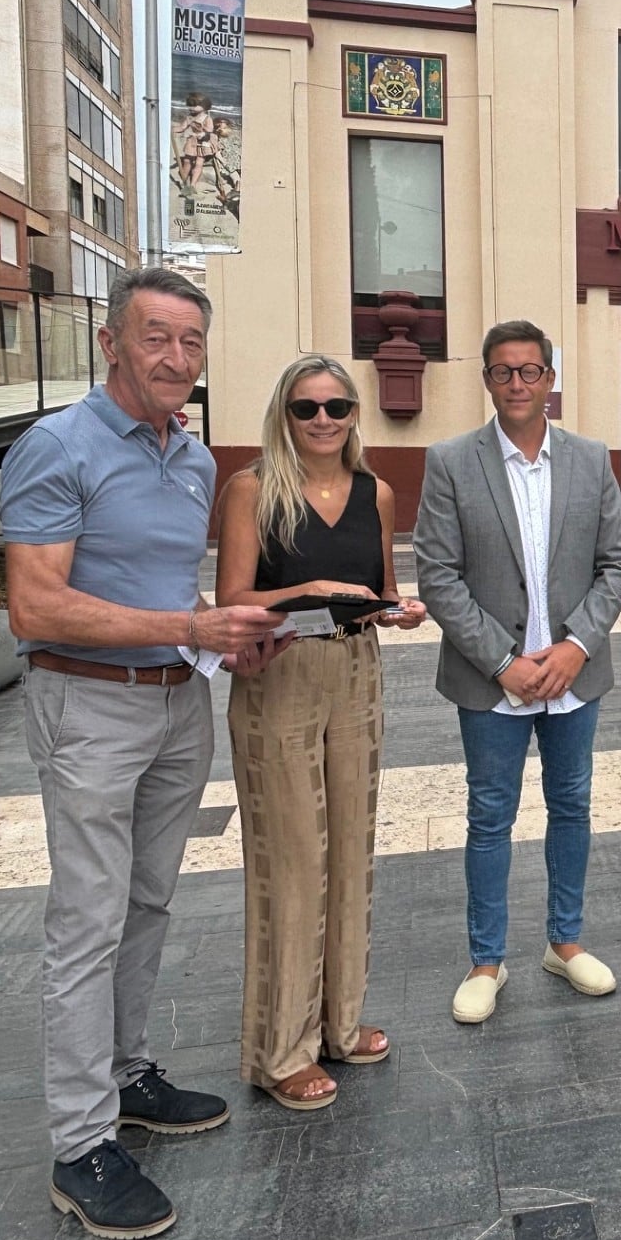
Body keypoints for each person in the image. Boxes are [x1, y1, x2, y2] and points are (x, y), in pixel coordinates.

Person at [2, 267, 289, 1240]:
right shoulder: (58, 447)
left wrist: (228, 633)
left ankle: (126, 1077)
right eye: (156, 337)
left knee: (149, 903)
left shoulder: (195, 459)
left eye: (192, 342)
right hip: (88, 706)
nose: (176, 358)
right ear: (112, 343)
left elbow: (177, 587)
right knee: (86, 922)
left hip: (177, 706)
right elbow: (33, 605)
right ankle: (80, 1145)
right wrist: (182, 620)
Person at [214, 355, 428, 1111]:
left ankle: (339, 1023)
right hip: (280, 672)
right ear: (284, 414)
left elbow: (383, 591)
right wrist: (307, 589)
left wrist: (397, 610)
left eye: (338, 407)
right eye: (308, 409)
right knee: (294, 862)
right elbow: (233, 599)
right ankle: (281, 1051)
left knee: (351, 852)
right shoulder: (251, 490)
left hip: (356, 673)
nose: (325, 421)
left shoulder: (377, 493)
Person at [415, 320, 621, 1024]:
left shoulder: (590, 459)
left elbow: (617, 564)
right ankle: (487, 960)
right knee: (490, 815)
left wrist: (574, 647)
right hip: (492, 681)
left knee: (572, 806)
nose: (518, 383)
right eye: (504, 372)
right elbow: (439, 577)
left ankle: (564, 943)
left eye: (530, 371)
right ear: (487, 380)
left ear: (550, 380)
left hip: (575, 678)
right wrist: (506, 663)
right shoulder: (451, 462)